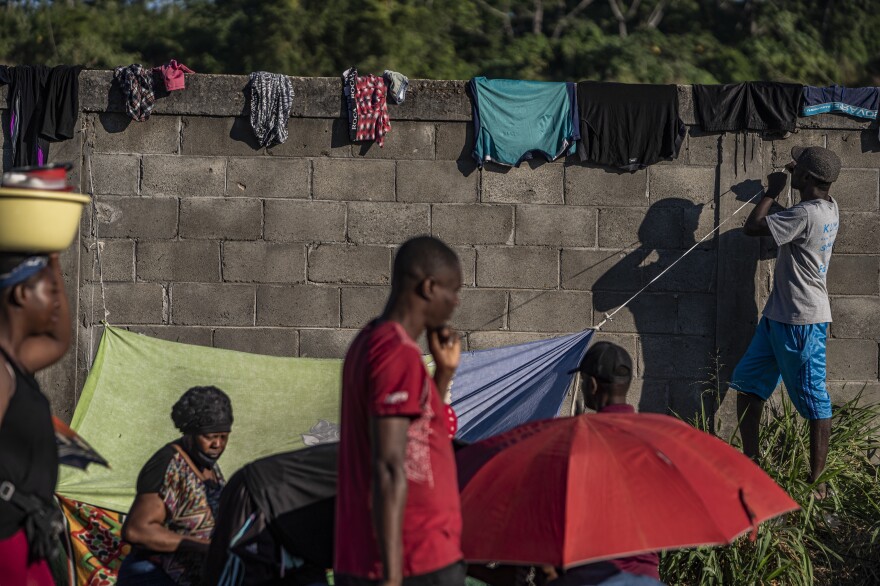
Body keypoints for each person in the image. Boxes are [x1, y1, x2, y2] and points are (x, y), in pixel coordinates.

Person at [335, 236, 465, 586]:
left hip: (415, 556)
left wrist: (444, 373)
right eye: (452, 291)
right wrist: (392, 577)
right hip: (410, 560)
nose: (455, 302)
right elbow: (390, 466)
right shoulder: (396, 353)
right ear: (428, 287)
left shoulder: (374, 341)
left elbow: (420, 435)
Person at [732, 146, 841, 498]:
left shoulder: (806, 215)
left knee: (814, 399)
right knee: (748, 383)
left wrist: (771, 191)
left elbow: (753, 228)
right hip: (778, 316)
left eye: (798, 169)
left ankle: (818, 483)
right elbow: (808, 196)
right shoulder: (828, 206)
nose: (792, 169)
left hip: (802, 321)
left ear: (807, 179)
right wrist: (799, 173)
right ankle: (751, 461)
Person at [549, 341, 663, 586]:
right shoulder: (654, 442)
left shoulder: (582, 443)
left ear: (591, 385)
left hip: (595, 576)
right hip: (647, 577)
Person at [0, 252, 71, 586]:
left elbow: (59, 340)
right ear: (20, 293)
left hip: (26, 535)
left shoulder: (15, 362)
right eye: (50, 290)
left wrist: (52, 259)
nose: (58, 300)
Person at [118, 385, 233, 586]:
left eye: (223, 436)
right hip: (153, 575)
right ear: (190, 432)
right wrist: (204, 546)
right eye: (209, 436)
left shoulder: (208, 466)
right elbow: (137, 530)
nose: (217, 444)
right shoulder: (168, 464)